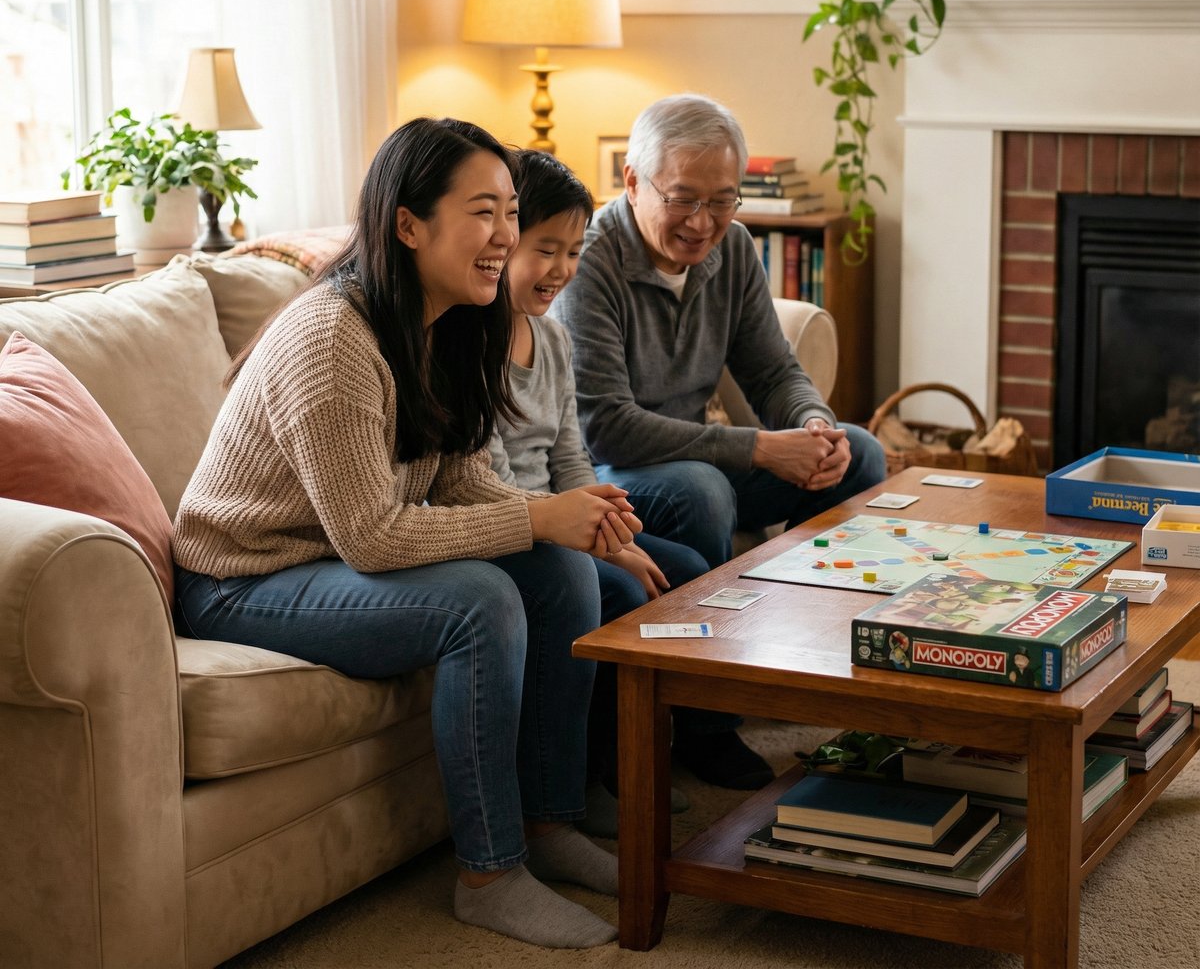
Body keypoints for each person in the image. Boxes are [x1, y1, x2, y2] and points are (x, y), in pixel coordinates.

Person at [172, 117, 642, 950]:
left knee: (561, 574)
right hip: (240, 579)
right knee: (480, 601)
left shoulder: (452, 322)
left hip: (322, 557)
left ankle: (547, 824)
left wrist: (579, 525)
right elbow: (373, 538)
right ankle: (490, 876)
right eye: (482, 212)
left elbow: (459, 477)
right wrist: (537, 515)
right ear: (409, 224)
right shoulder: (332, 338)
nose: (504, 236)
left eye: (509, 211)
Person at [552, 94, 888, 773]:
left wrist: (814, 426)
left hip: (695, 457)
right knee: (702, 492)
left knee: (862, 453)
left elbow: (774, 373)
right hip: (607, 479)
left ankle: (803, 669)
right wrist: (762, 448)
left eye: (723, 201)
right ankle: (703, 726)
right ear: (633, 183)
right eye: (683, 199)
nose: (703, 223)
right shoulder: (587, 264)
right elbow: (606, 427)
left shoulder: (732, 250)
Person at [487, 149, 712, 830]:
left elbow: (572, 457)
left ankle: (624, 766)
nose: (560, 269)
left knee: (688, 574)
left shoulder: (551, 339)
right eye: (544, 249)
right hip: (512, 529)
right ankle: (570, 791)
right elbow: (486, 482)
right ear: (500, 243)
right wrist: (598, 548)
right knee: (611, 589)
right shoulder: (470, 345)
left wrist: (610, 535)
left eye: (574, 251)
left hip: (568, 518)